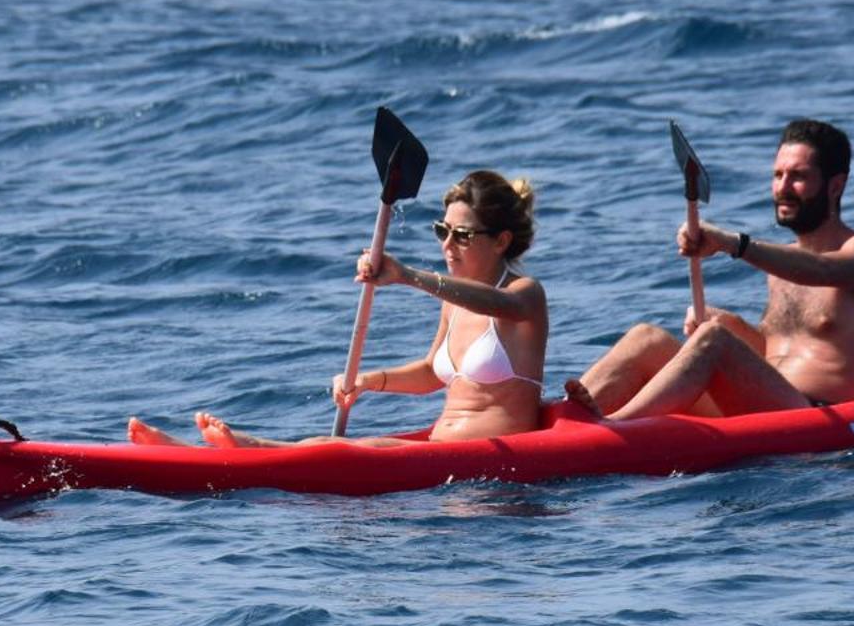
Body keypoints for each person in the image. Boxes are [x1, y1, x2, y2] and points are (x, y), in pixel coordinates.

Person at [129, 170, 548, 448]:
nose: (446, 245)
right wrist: (368, 381)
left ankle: (248, 449)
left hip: (492, 468)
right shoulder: (451, 303)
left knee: (337, 449)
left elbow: (501, 305)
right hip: (443, 453)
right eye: (442, 230)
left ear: (501, 241)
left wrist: (406, 276)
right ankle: (223, 456)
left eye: (461, 235)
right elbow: (428, 375)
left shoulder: (526, 295)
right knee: (343, 448)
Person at [564, 118, 854, 420]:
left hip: (818, 415)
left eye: (798, 177)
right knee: (646, 338)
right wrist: (730, 323)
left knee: (715, 339)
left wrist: (732, 243)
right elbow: (775, 349)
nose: (782, 187)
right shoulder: (781, 266)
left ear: (835, 186)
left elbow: (822, 271)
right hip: (761, 400)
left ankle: (615, 426)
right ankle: (561, 422)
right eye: (778, 175)